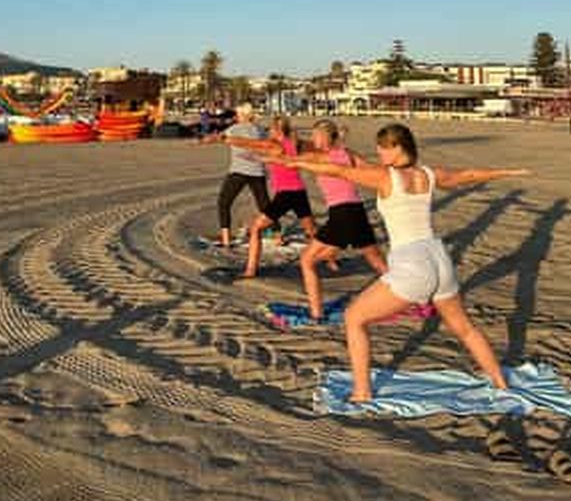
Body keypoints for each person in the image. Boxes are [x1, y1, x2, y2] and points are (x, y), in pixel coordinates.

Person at [284, 122, 530, 402]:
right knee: (464, 328)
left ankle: (362, 392)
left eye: (383, 148)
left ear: (397, 148)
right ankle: (500, 382)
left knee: (354, 318)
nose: (379, 154)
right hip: (439, 259)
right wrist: (505, 172)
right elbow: (468, 175)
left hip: (412, 264)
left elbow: (338, 170)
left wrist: (294, 162)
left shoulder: (386, 177)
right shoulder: (428, 174)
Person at [293, 120, 387, 320]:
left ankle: (316, 313)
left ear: (327, 137)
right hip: (357, 211)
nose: (313, 139)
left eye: (316, 135)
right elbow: (374, 170)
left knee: (306, 260)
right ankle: (416, 300)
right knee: (378, 262)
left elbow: (294, 152)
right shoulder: (348, 154)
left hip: (342, 214)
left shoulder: (320, 157)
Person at [223, 115, 316, 278]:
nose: (269, 132)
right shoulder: (295, 142)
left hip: (286, 194)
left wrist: (226, 138)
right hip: (299, 191)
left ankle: (250, 270)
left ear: (277, 130)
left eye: (271, 129)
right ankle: (330, 259)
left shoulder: (274, 144)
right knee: (312, 231)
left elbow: (250, 144)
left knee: (256, 229)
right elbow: (313, 148)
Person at [202, 103, 270, 247]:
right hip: (258, 171)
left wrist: (205, 140)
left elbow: (218, 137)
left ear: (243, 115)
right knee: (264, 205)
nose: (236, 117)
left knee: (224, 202)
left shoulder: (234, 129)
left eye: (238, 114)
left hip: (239, 171)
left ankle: (226, 238)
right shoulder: (260, 130)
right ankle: (276, 235)